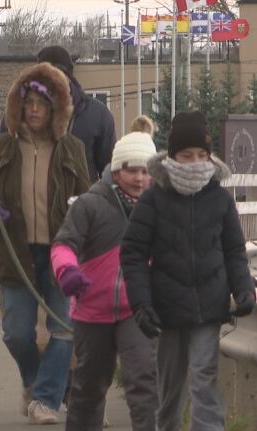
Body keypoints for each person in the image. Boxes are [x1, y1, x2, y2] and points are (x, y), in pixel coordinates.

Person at [121, 111, 256, 431]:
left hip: (209, 307)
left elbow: (235, 250)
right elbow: (133, 254)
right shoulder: (153, 200)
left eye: (201, 155)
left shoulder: (220, 200)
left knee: (204, 380)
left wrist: (244, 288)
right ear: (173, 157)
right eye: (187, 156)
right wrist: (141, 303)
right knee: (171, 390)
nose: (195, 163)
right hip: (166, 310)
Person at [0, 62, 90, 424]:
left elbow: (86, 198)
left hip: (62, 253)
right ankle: (36, 381)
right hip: (17, 252)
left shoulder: (73, 148)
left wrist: (80, 222)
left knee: (64, 327)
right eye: (29, 103)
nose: (35, 109)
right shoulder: (4, 147)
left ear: (56, 106)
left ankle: (44, 400)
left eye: (42, 102)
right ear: (19, 106)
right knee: (16, 335)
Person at [51, 116, 159, 431]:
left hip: (136, 309)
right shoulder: (89, 205)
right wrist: (67, 271)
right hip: (91, 309)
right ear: (115, 171)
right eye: (131, 170)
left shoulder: (157, 209)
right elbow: (63, 244)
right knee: (89, 388)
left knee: (143, 381)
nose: (139, 179)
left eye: (146, 171)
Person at [37, 45, 116, 181]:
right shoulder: (20, 113)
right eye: (46, 77)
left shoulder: (97, 115)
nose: (53, 83)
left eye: (59, 76)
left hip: (81, 200)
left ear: (69, 77)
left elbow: (109, 174)